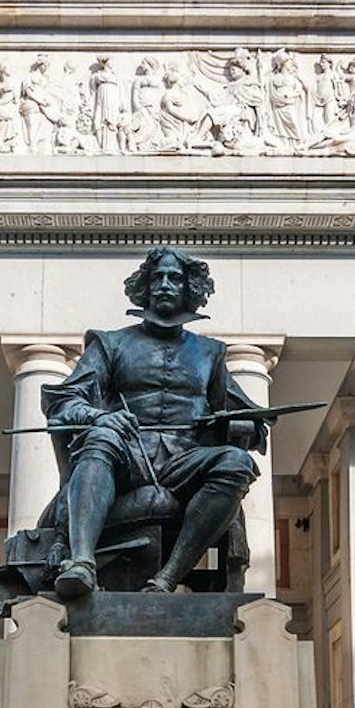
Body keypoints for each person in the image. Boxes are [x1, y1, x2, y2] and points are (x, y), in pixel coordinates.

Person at [41, 247, 266, 597]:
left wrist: (242, 424)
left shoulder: (211, 353)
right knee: (100, 436)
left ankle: (168, 577)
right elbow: (62, 401)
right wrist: (101, 416)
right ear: (143, 287)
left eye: (174, 278)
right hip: (125, 457)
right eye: (156, 277)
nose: (164, 285)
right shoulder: (110, 343)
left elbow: (246, 420)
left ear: (189, 288)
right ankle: (81, 565)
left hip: (185, 462)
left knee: (237, 462)